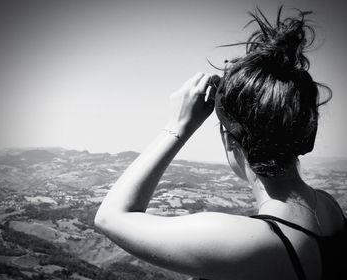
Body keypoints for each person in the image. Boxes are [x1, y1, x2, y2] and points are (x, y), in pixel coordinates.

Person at [94, 7, 346, 280]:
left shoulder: (250, 243)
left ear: (229, 140)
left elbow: (110, 217)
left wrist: (178, 126)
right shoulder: (329, 208)